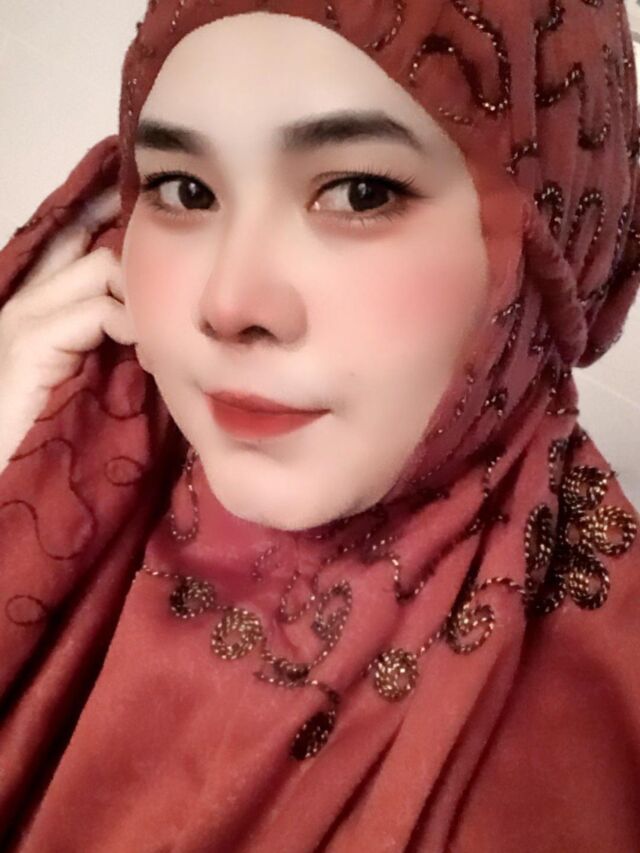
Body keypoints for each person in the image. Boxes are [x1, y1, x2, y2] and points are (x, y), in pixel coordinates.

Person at [0, 1, 639, 850]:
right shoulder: (73, 469)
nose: (229, 303)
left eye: (359, 192)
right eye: (185, 190)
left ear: (554, 240)